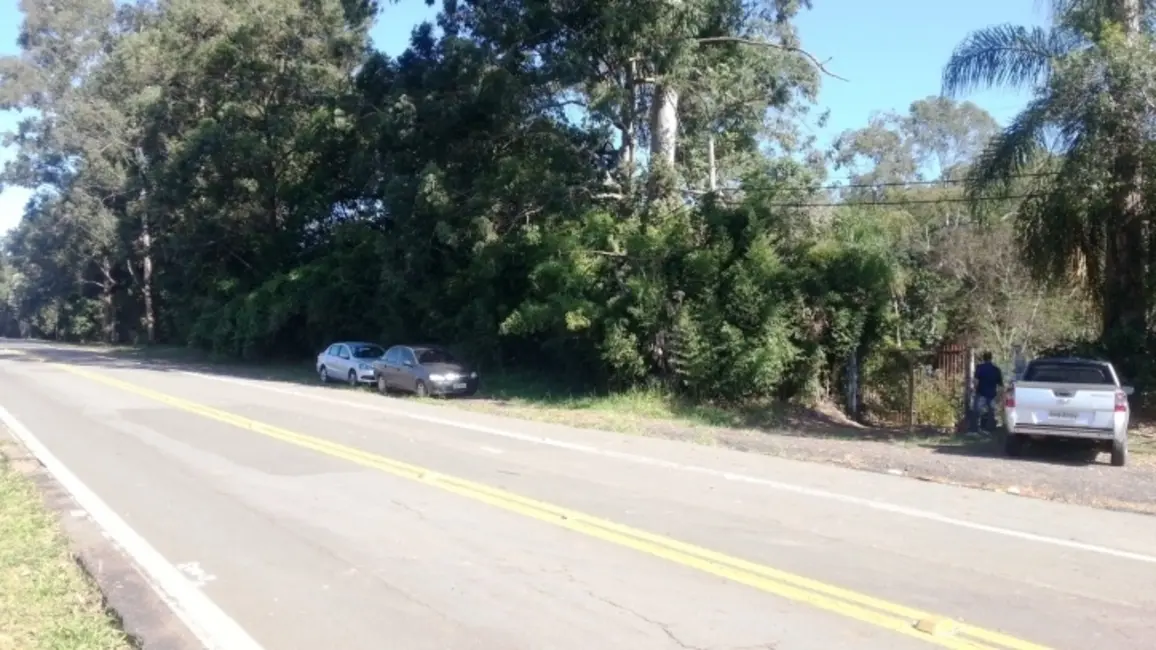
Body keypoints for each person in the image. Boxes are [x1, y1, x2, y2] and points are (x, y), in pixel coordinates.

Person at [972, 351, 1004, 431]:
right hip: (992, 394)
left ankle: (976, 428)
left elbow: (976, 381)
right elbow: (1000, 385)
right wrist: (999, 396)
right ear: (991, 358)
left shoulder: (979, 368)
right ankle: (990, 428)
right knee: (991, 412)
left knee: (977, 412)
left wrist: (975, 390)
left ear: (983, 358)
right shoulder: (996, 370)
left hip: (981, 393)